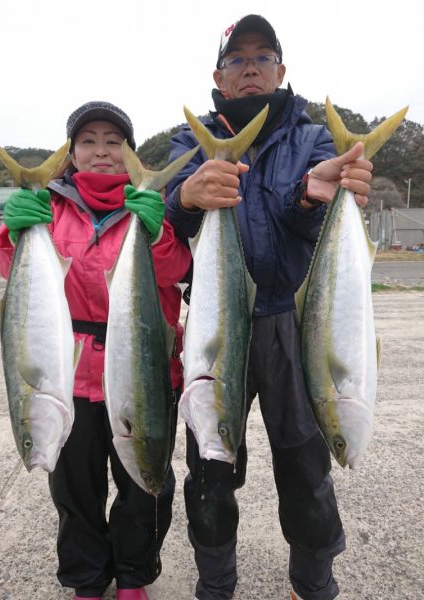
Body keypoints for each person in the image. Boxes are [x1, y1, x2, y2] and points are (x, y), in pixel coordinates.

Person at [164, 15, 373, 600]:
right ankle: (215, 584)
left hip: (290, 322)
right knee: (210, 466)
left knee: (306, 466)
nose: (250, 66)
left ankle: (313, 584)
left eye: (263, 56)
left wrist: (313, 192)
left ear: (281, 69)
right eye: (237, 58)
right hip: (213, 321)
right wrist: (184, 193)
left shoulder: (312, 138)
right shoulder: (193, 140)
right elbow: (167, 218)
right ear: (219, 75)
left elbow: (313, 216)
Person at [0, 101, 192, 600]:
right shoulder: (49, 209)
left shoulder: (151, 208)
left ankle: (133, 576)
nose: (102, 150)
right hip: (69, 378)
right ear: (70, 154)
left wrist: (158, 233)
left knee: (144, 487)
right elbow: (15, 277)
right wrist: (14, 230)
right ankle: (87, 577)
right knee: (75, 491)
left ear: (129, 152)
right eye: (88, 141)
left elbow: (174, 273)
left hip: (143, 370)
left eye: (114, 141)